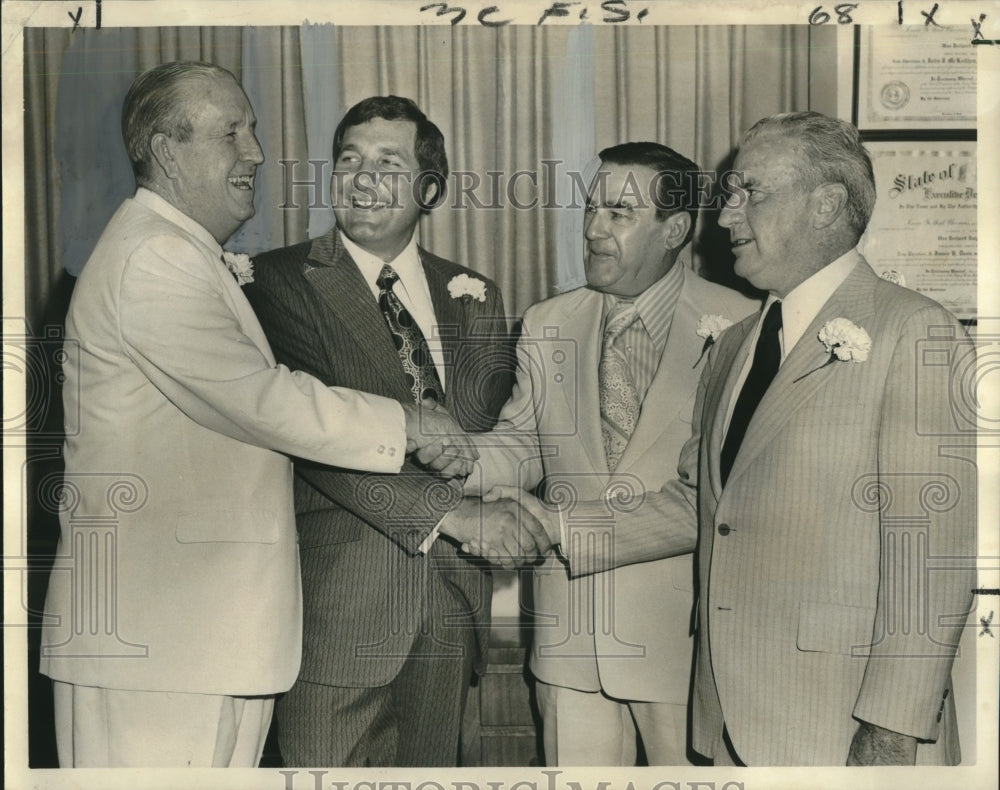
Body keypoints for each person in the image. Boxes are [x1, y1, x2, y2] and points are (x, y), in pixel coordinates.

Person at [479, 112, 976, 766]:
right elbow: (704, 505)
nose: (725, 216)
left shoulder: (913, 331)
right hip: (732, 714)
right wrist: (553, 525)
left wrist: (892, 727)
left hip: (846, 724)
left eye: (751, 193)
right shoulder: (740, 345)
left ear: (826, 205)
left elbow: (930, 557)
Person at [38, 62, 464, 769]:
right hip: (160, 648)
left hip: (200, 643)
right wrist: (412, 424)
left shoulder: (181, 252)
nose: (257, 154)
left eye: (254, 131)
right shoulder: (153, 257)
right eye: (232, 132)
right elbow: (261, 399)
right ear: (169, 152)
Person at [246, 95, 543, 767]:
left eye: (388, 162)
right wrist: (459, 518)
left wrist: (513, 506)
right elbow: (311, 439)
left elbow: (491, 442)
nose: (362, 178)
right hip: (335, 611)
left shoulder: (475, 292)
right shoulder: (277, 281)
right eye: (348, 160)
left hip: (450, 610)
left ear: (429, 187)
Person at [456, 142, 756, 765]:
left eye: (619, 213)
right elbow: (523, 443)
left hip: (689, 645)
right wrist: (450, 458)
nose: (593, 229)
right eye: (591, 209)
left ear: (674, 229)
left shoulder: (743, 325)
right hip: (571, 643)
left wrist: (556, 526)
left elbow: (717, 491)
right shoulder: (548, 322)